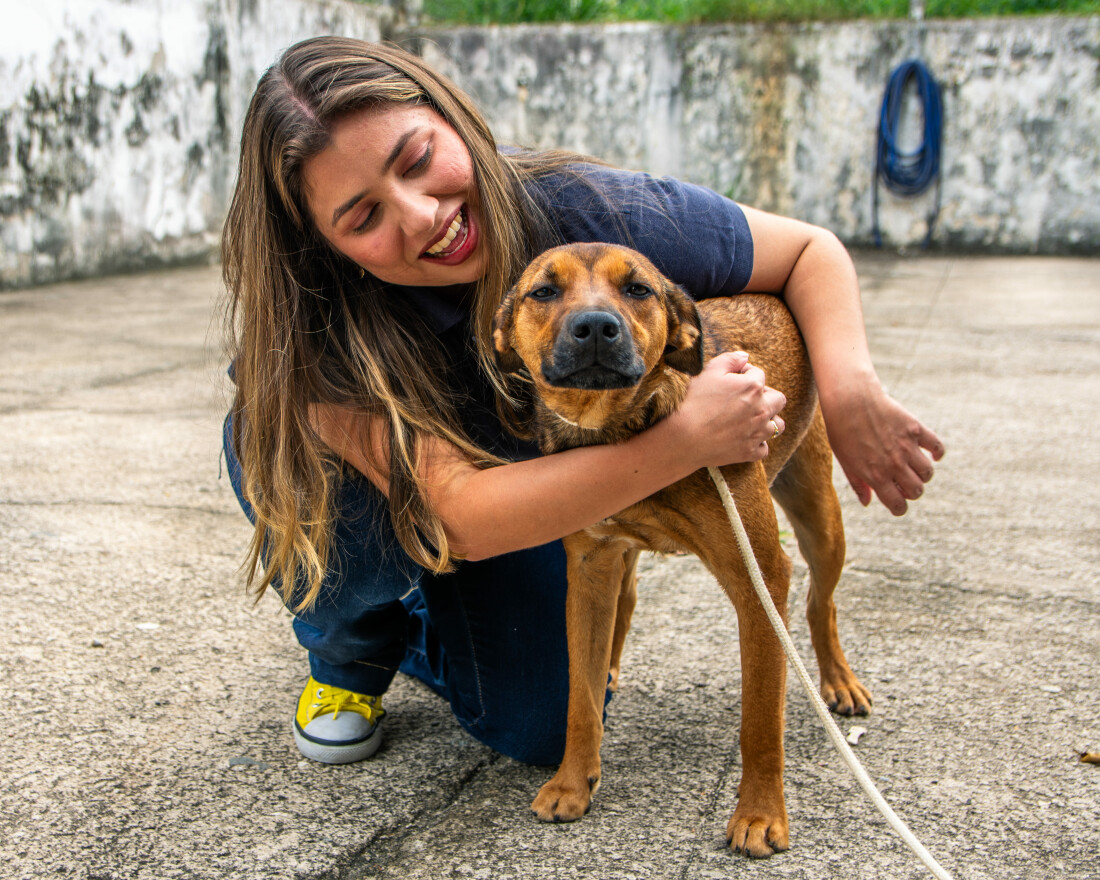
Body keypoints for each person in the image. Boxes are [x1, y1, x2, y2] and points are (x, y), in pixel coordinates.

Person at [221, 36, 944, 766]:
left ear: (457, 119)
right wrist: (685, 442)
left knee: (538, 728)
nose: (420, 216)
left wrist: (849, 390)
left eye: (415, 161)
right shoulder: (316, 325)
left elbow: (810, 250)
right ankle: (350, 658)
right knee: (329, 511)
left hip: (524, 477)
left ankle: (446, 614)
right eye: (362, 217)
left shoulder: (596, 212)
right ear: (322, 243)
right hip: (430, 495)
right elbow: (460, 514)